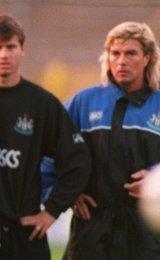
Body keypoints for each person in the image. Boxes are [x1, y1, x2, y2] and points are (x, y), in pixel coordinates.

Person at [0, 14, 91, 259]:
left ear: (22, 50)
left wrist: (51, 211)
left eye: (11, 47)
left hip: (24, 232)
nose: (3, 55)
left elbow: (77, 161)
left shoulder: (42, 104)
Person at [62, 21, 160, 259]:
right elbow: (51, 152)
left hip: (147, 234)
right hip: (91, 231)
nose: (121, 61)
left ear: (147, 57)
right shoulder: (83, 103)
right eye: (115, 53)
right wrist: (68, 192)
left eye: (131, 53)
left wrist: (156, 180)